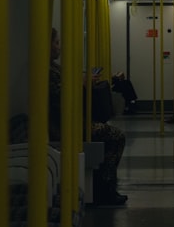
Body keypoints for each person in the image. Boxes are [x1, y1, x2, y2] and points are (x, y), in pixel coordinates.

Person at [49, 28, 127, 206]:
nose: (58, 47)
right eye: (56, 43)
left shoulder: (55, 68)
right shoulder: (48, 71)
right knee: (116, 137)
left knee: (108, 133)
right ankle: (105, 189)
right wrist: (81, 83)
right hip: (63, 126)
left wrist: (83, 80)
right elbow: (60, 97)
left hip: (71, 121)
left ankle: (104, 184)